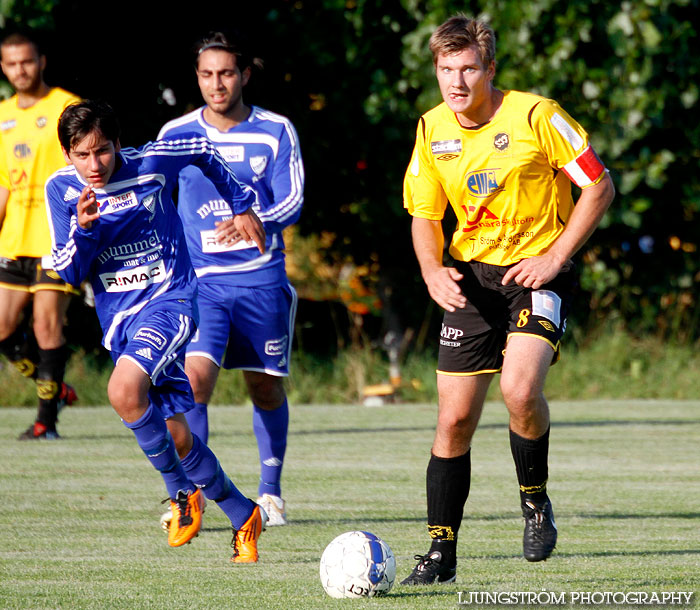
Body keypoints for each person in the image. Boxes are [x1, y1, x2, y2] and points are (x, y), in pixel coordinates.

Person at [401, 15, 615, 584]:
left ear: (490, 69)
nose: (457, 80)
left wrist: (556, 257)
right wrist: (431, 269)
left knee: (520, 391)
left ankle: (534, 499)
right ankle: (441, 554)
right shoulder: (431, 129)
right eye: (446, 69)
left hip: (539, 274)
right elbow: (425, 216)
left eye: (469, 67)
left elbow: (598, 184)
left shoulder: (537, 116)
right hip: (472, 280)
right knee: (453, 419)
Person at [45, 99, 269, 563]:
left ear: (118, 144)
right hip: (120, 322)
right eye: (82, 154)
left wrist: (242, 204)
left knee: (123, 391)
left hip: (172, 301)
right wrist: (84, 230)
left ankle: (182, 495)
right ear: (67, 154)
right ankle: (244, 513)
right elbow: (68, 271)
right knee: (178, 437)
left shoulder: (152, 162)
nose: (94, 164)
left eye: (103, 151)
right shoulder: (62, 190)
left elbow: (203, 149)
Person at [158, 30, 304, 527]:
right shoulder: (175, 133)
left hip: (261, 281)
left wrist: (254, 217)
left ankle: (270, 492)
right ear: (197, 78)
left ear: (243, 75)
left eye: (225, 73)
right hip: (200, 286)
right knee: (193, 384)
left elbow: (293, 200)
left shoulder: (275, 130)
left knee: (264, 389)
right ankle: (196, 492)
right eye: (206, 74)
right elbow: (151, 197)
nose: (216, 83)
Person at [0, 32, 80, 439]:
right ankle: (54, 388)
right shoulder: (1, 116)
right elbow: (2, 186)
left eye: (27, 61)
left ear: (41, 61)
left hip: (56, 240)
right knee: (1, 328)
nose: (20, 70)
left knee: (48, 327)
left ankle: (44, 422)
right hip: (13, 241)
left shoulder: (66, 106)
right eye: (12, 64)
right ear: (3, 67)